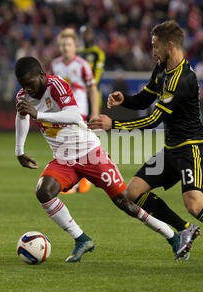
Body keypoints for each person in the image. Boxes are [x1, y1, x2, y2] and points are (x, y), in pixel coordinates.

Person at [88, 20, 203, 270]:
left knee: (194, 205)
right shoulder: (162, 69)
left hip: (191, 147)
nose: (152, 51)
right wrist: (125, 100)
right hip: (171, 148)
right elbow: (146, 97)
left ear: (170, 45)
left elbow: (154, 119)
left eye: (155, 46)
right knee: (133, 192)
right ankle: (185, 230)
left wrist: (114, 125)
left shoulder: (183, 79)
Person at [14, 56, 185, 263]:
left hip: (90, 153)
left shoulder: (56, 85)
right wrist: (19, 150)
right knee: (43, 191)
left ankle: (172, 236)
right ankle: (81, 239)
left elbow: (74, 115)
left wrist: (39, 114)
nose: (27, 89)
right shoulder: (23, 96)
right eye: (23, 85)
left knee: (125, 202)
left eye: (29, 84)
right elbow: (22, 116)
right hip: (63, 160)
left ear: (41, 75)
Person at [50, 28, 100, 193]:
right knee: (67, 144)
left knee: (78, 143)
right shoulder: (55, 64)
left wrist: (95, 112)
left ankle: (80, 181)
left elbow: (92, 89)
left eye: (69, 44)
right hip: (61, 111)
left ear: (74, 46)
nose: (66, 48)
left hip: (79, 110)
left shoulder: (82, 65)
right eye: (63, 45)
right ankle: (76, 180)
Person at [78, 24, 106, 106]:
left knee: (94, 117)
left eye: (88, 33)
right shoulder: (77, 52)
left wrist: (90, 87)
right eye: (84, 33)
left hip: (93, 91)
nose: (86, 36)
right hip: (79, 92)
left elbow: (98, 73)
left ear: (92, 35)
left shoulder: (98, 53)